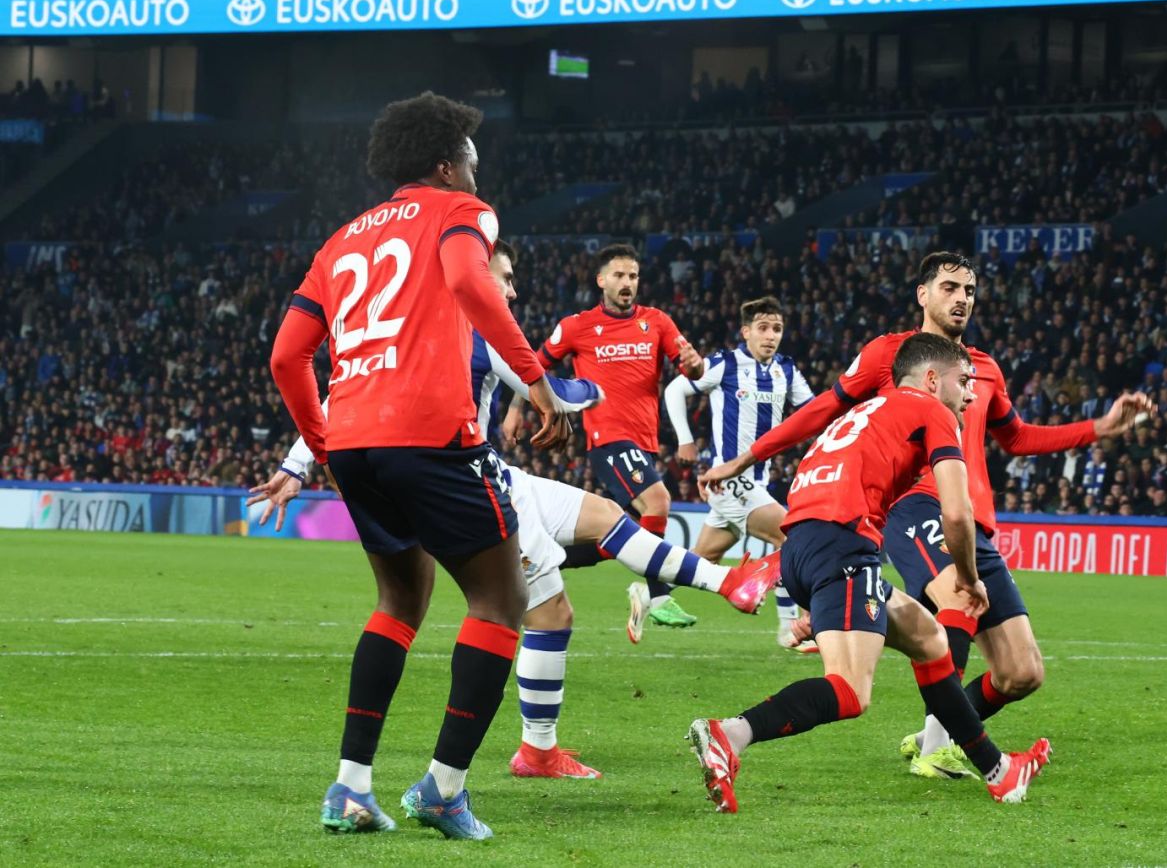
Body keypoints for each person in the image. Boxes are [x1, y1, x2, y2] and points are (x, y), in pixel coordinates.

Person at [255, 241, 777, 783]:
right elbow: (556, 390)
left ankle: (724, 582)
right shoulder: (480, 330)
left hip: (495, 475)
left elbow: (346, 400)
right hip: (472, 484)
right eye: (502, 277)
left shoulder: (407, 331)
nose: (510, 288)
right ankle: (502, 763)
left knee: (601, 521)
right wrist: (594, 388)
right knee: (538, 611)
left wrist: (298, 465)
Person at [702, 251, 1152, 779]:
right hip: (917, 505)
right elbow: (823, 410)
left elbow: (1018, 437)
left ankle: (938, 732)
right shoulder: (892, 357)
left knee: (1021, 671)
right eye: (950, 287)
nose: (961, 298)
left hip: (973, 518)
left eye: (969, 290)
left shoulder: (982, 369)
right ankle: (945, 749)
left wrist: (1099, 428)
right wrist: (744, 458)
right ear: (923, 294)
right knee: (958, 597)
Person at [269, 91, 571, 841]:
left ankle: (350, 788)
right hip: (431, 435)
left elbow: (286, 356)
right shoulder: (462, 211)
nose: (477, 164)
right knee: (502, 602)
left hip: (357, 440)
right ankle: (443, 787)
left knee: (399, 604)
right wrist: (535, 380)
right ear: (446, 162)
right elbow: (472, 283)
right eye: (470, 153)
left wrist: (323, 441)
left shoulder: (339, 242)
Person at [688, 334, 1050, 812]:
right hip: (843, 548)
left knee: (930, 640)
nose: (970, 394)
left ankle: (999, 772)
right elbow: (957, 515)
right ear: (932, 379)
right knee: (850, 691)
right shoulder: (933, 412)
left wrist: (819, 602)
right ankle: (730, 734)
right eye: (964, 382)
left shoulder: (866, 412)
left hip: (803, 545)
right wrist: (968, 576)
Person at [528, 243, 706, 642]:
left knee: (615, 537)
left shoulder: (657, 322)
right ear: (602, 280)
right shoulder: (577, 326)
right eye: (620, 276)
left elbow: (691, 367)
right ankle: (658, 598)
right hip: (607, 438)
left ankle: (541, 560)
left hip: (644, 442)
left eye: (633, 276)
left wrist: (696, 366)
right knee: (658, 503)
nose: (627, 283)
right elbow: (535, 365)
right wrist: (516, 412)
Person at [664, 296, 815, 652]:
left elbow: (814, 412)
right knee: (792, 537)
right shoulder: (726, 364)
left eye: (777, 328)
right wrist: (685, 441)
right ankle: (791, 628)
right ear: (746, 331)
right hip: (728, 481)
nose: (771, 336)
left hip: (755, 483)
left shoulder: (786, 371)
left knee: (700, 561)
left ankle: (647, 594)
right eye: (763, 328)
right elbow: (675, 389)